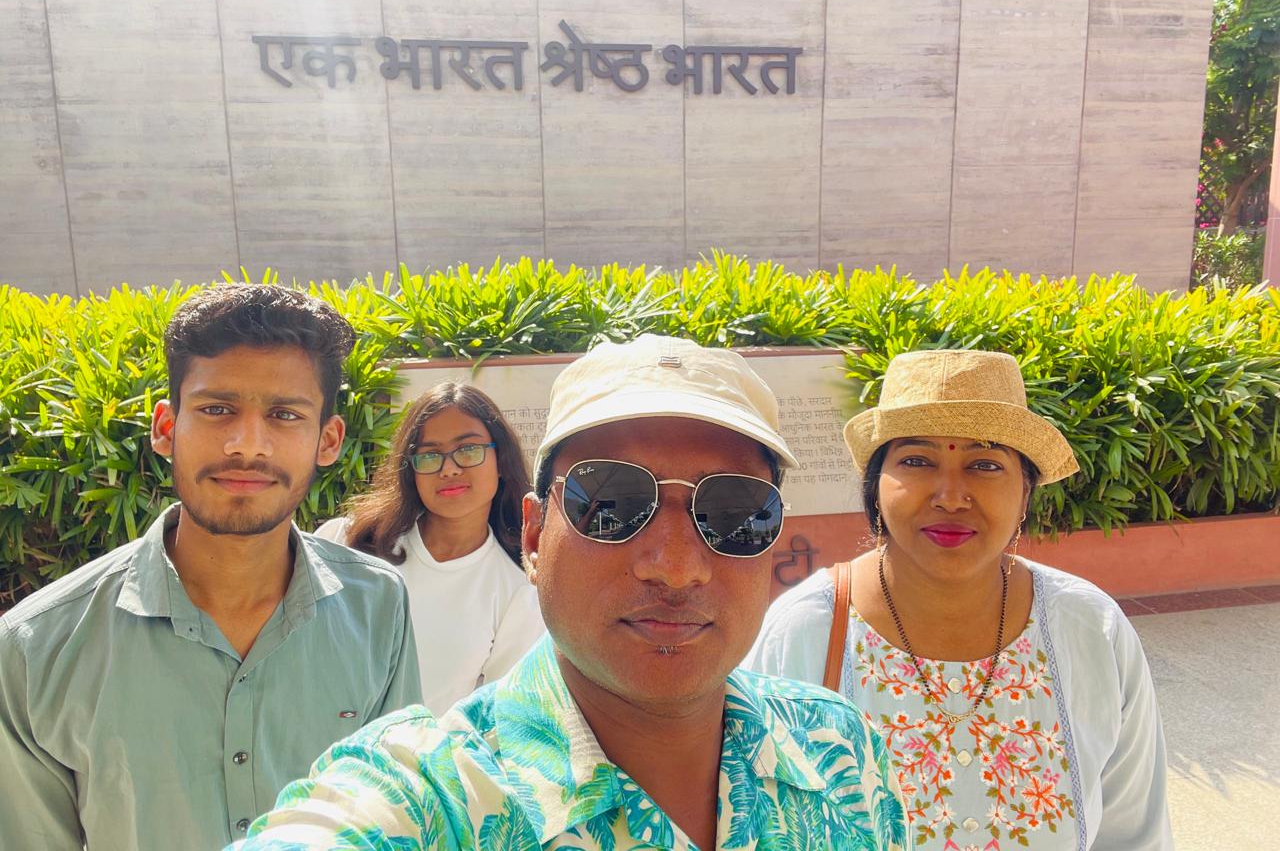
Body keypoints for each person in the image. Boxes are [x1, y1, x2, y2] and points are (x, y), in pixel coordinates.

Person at [234, 334, 908, 851]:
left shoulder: (838, 749)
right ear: (533, 537)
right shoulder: (433, 799)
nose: (677, 568)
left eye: (733, 514)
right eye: (613, 506)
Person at [0, 284, 421, 851]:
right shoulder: (37, 649)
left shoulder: (377, 607)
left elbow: (394, 816)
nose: (247, 445)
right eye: (217, 409)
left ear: (328, 440)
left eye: (284, 414)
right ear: (166, 428)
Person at [746, 349, 1172, 851]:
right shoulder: (805, 631)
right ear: (875, 484)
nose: (950, 496)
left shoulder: (1089, 629)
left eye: (985, 464)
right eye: (917, 461)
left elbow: (1135, 835)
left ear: (1025, 492)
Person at [316, 382, 545, 714]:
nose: (448, 468)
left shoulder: (517, 591)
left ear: (501, 461)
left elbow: (490, 720)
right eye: (430, 455)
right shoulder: (346, 541)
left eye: (468, 450)